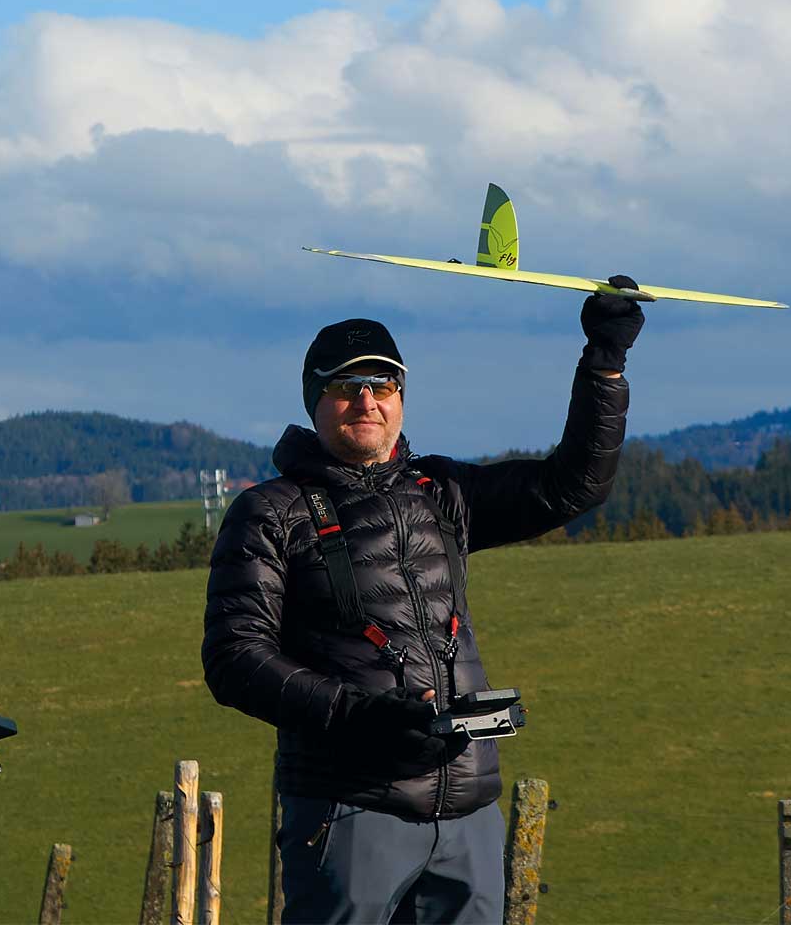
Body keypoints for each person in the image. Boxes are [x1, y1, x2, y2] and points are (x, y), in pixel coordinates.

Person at [202, 284, 643, 924]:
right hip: (348, 808)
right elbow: (234, 658)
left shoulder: (442, 491)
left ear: (401, 400)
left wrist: (604, 362)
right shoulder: (270, 512)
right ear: (314, 400)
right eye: (345, 386)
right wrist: (358, 714)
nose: (366, 401)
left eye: (383, 386)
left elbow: (571, 485)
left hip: (467, 809)